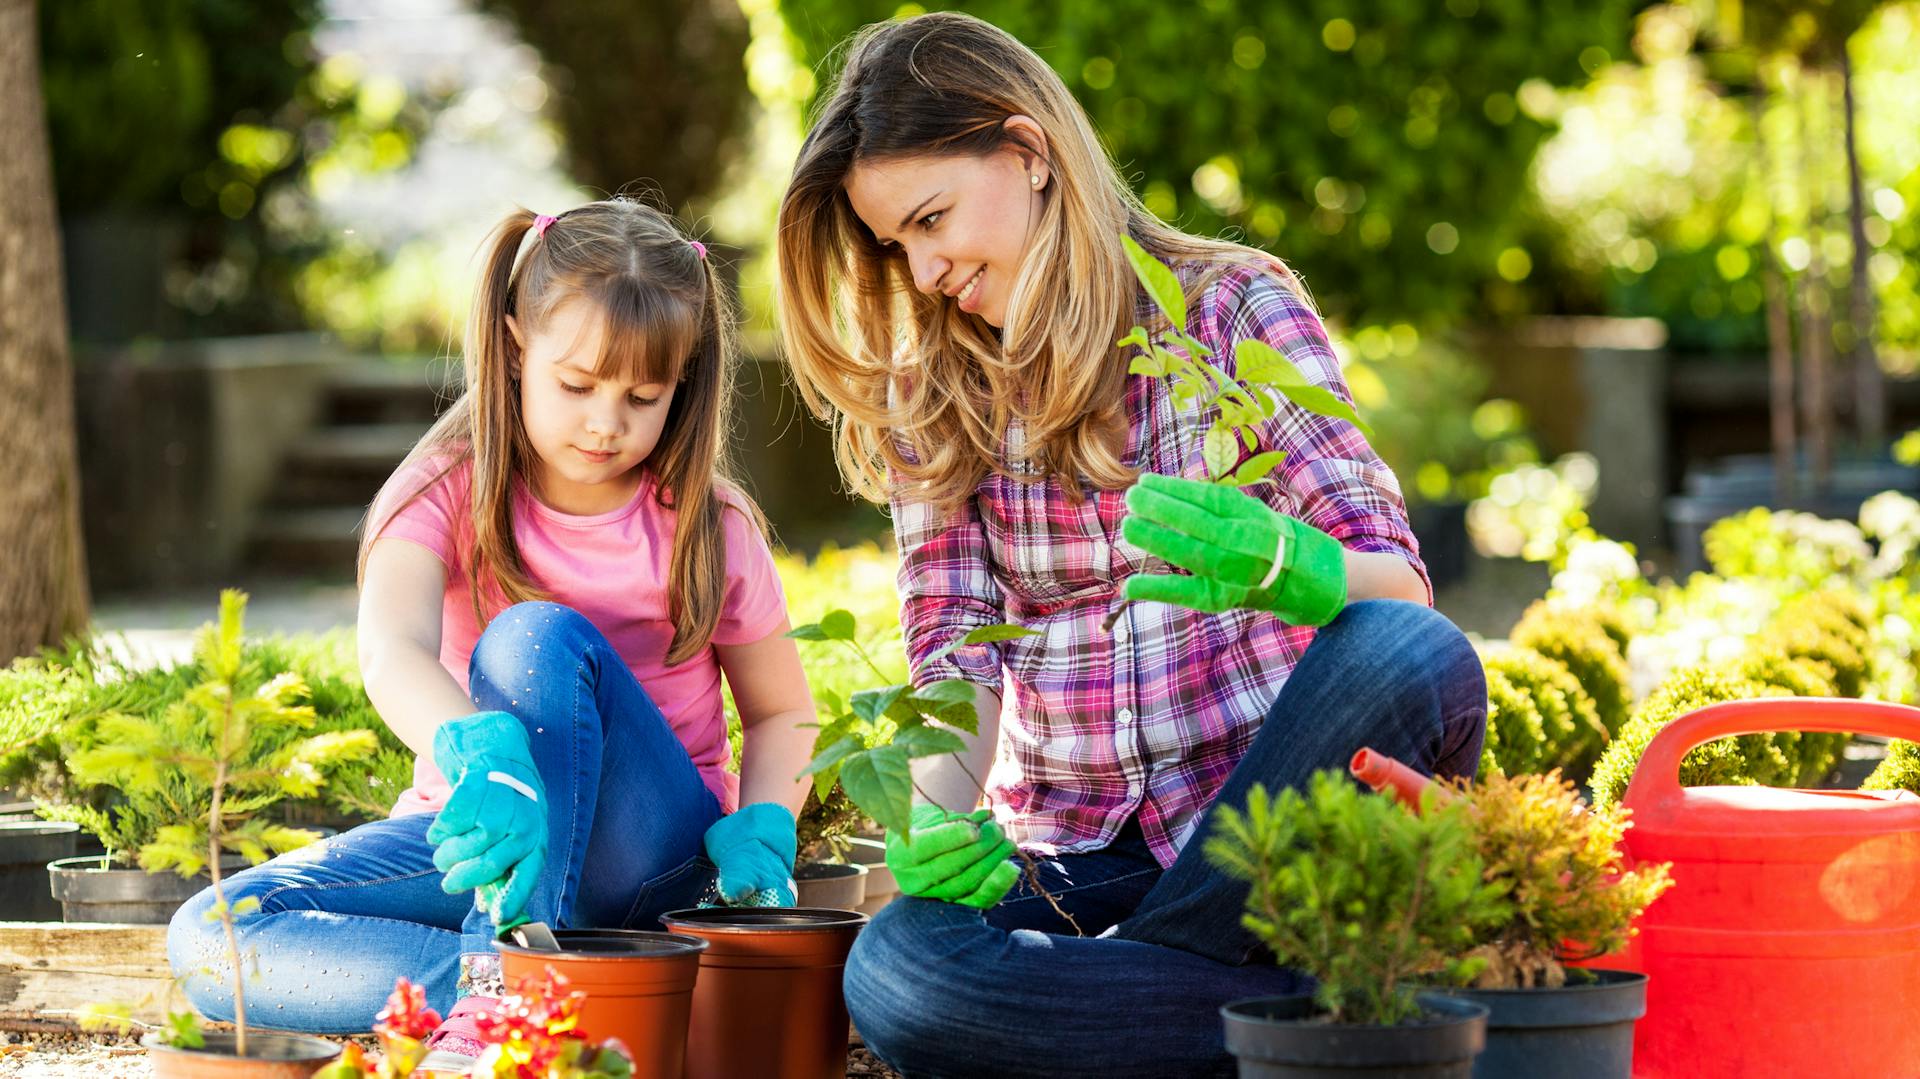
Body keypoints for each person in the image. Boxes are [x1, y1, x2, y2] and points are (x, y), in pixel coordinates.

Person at [775, 13, 1487, 1077]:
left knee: (1407, 651)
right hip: (1081, 851)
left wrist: (1300, 567)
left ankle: (1131, 1013)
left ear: (1030, 152)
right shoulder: (936, 395)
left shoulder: (1232, 307)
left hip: (1271, 825)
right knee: (898, 966)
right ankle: (1314, 1017)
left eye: (932, 219)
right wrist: (933, 823)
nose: (923, 270)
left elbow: (1403, 593)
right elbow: (955, 647)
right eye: (897, 246)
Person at [166, 198, 817, 1068]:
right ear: (514, 347)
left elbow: (782, 713)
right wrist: (482, 757)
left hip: (651, 858)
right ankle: (516, 993)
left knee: (531, 640)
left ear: (683, 384)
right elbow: (389, 645)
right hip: (487, 842)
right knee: (214, 931)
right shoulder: (445, 486)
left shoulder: (707, 521)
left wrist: (764, 825)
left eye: (642, 396)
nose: (605, 421)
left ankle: (512, 983)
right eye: (577, 384)